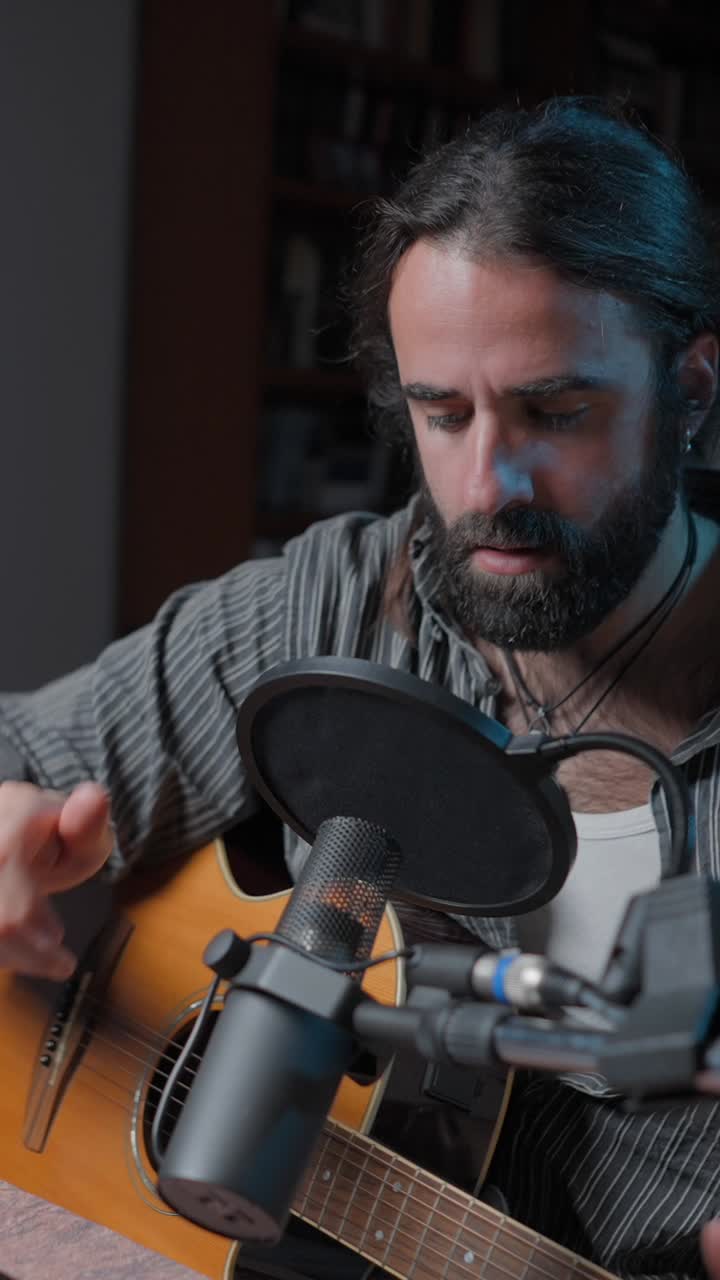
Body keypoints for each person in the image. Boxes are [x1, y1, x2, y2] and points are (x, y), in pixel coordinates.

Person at [2, 95, 720, 1279]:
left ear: (690, 387)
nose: (486, 485)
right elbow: (21, 753)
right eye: (442, 413)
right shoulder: (335, 600)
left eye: (555, 411)